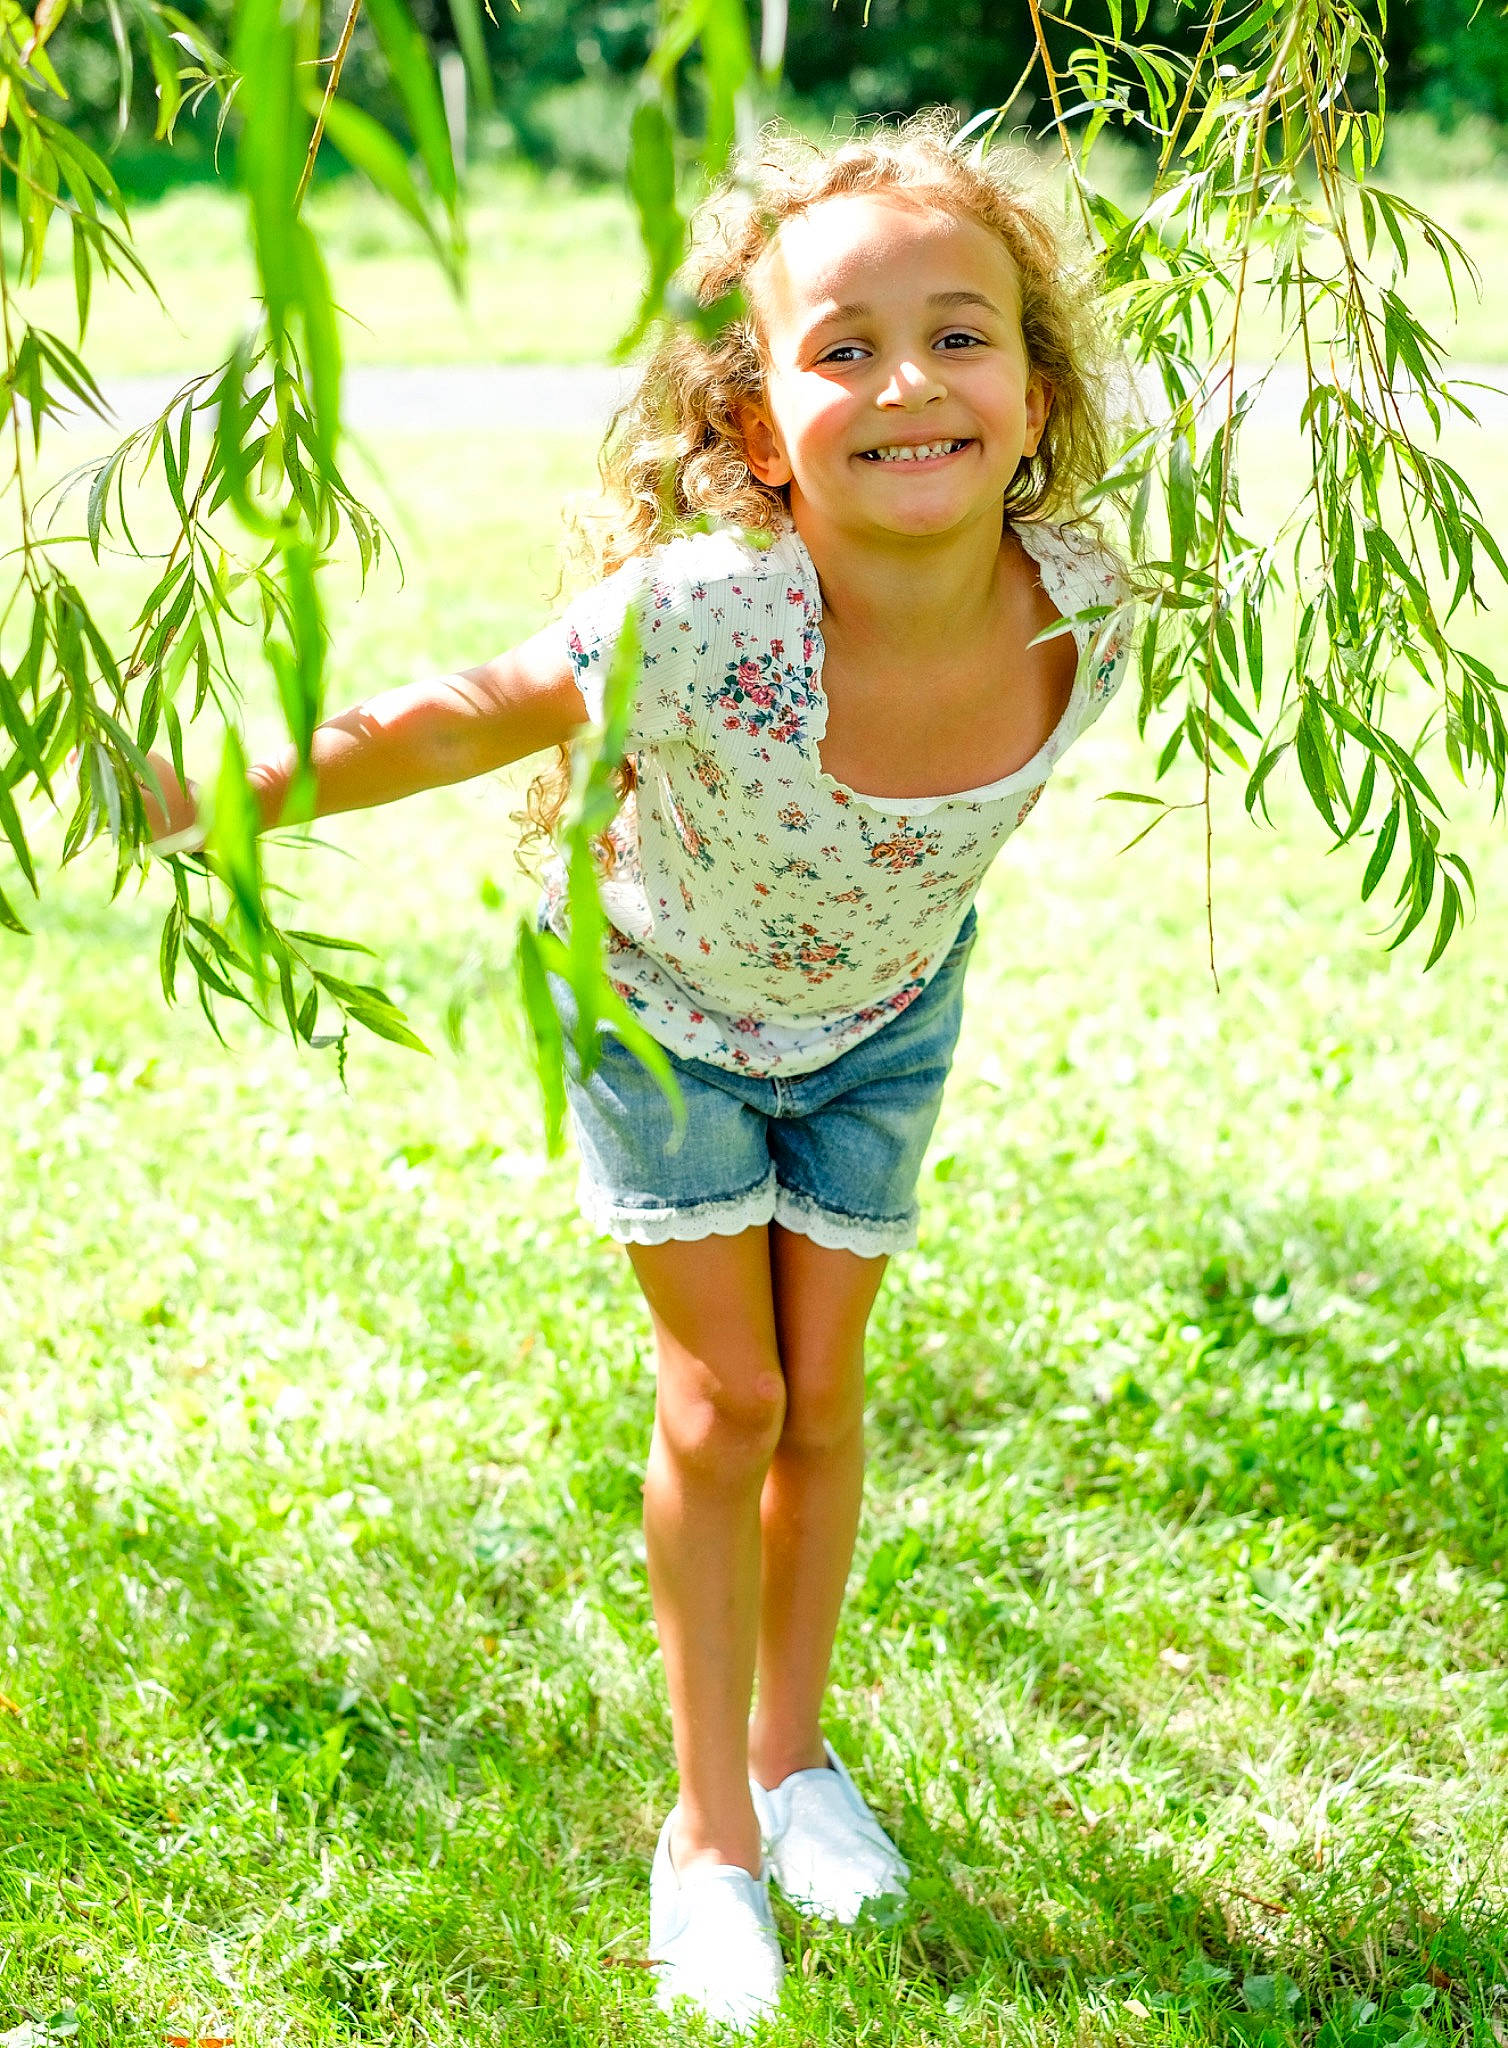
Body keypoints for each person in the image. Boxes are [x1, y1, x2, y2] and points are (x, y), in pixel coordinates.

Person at [138, 113, 1132, 2031]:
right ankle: (707, 1838)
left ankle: (794, 1756)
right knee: (730, 1398)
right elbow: (438, 729)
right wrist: (186, 797)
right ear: (760, 425)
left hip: (878, 1028)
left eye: (962, 334)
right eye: (841, 349)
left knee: (828, 1397)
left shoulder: (1083, 601)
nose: (909, 380)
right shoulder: (698, 616)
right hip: (661, 1016)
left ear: (1034, 394)